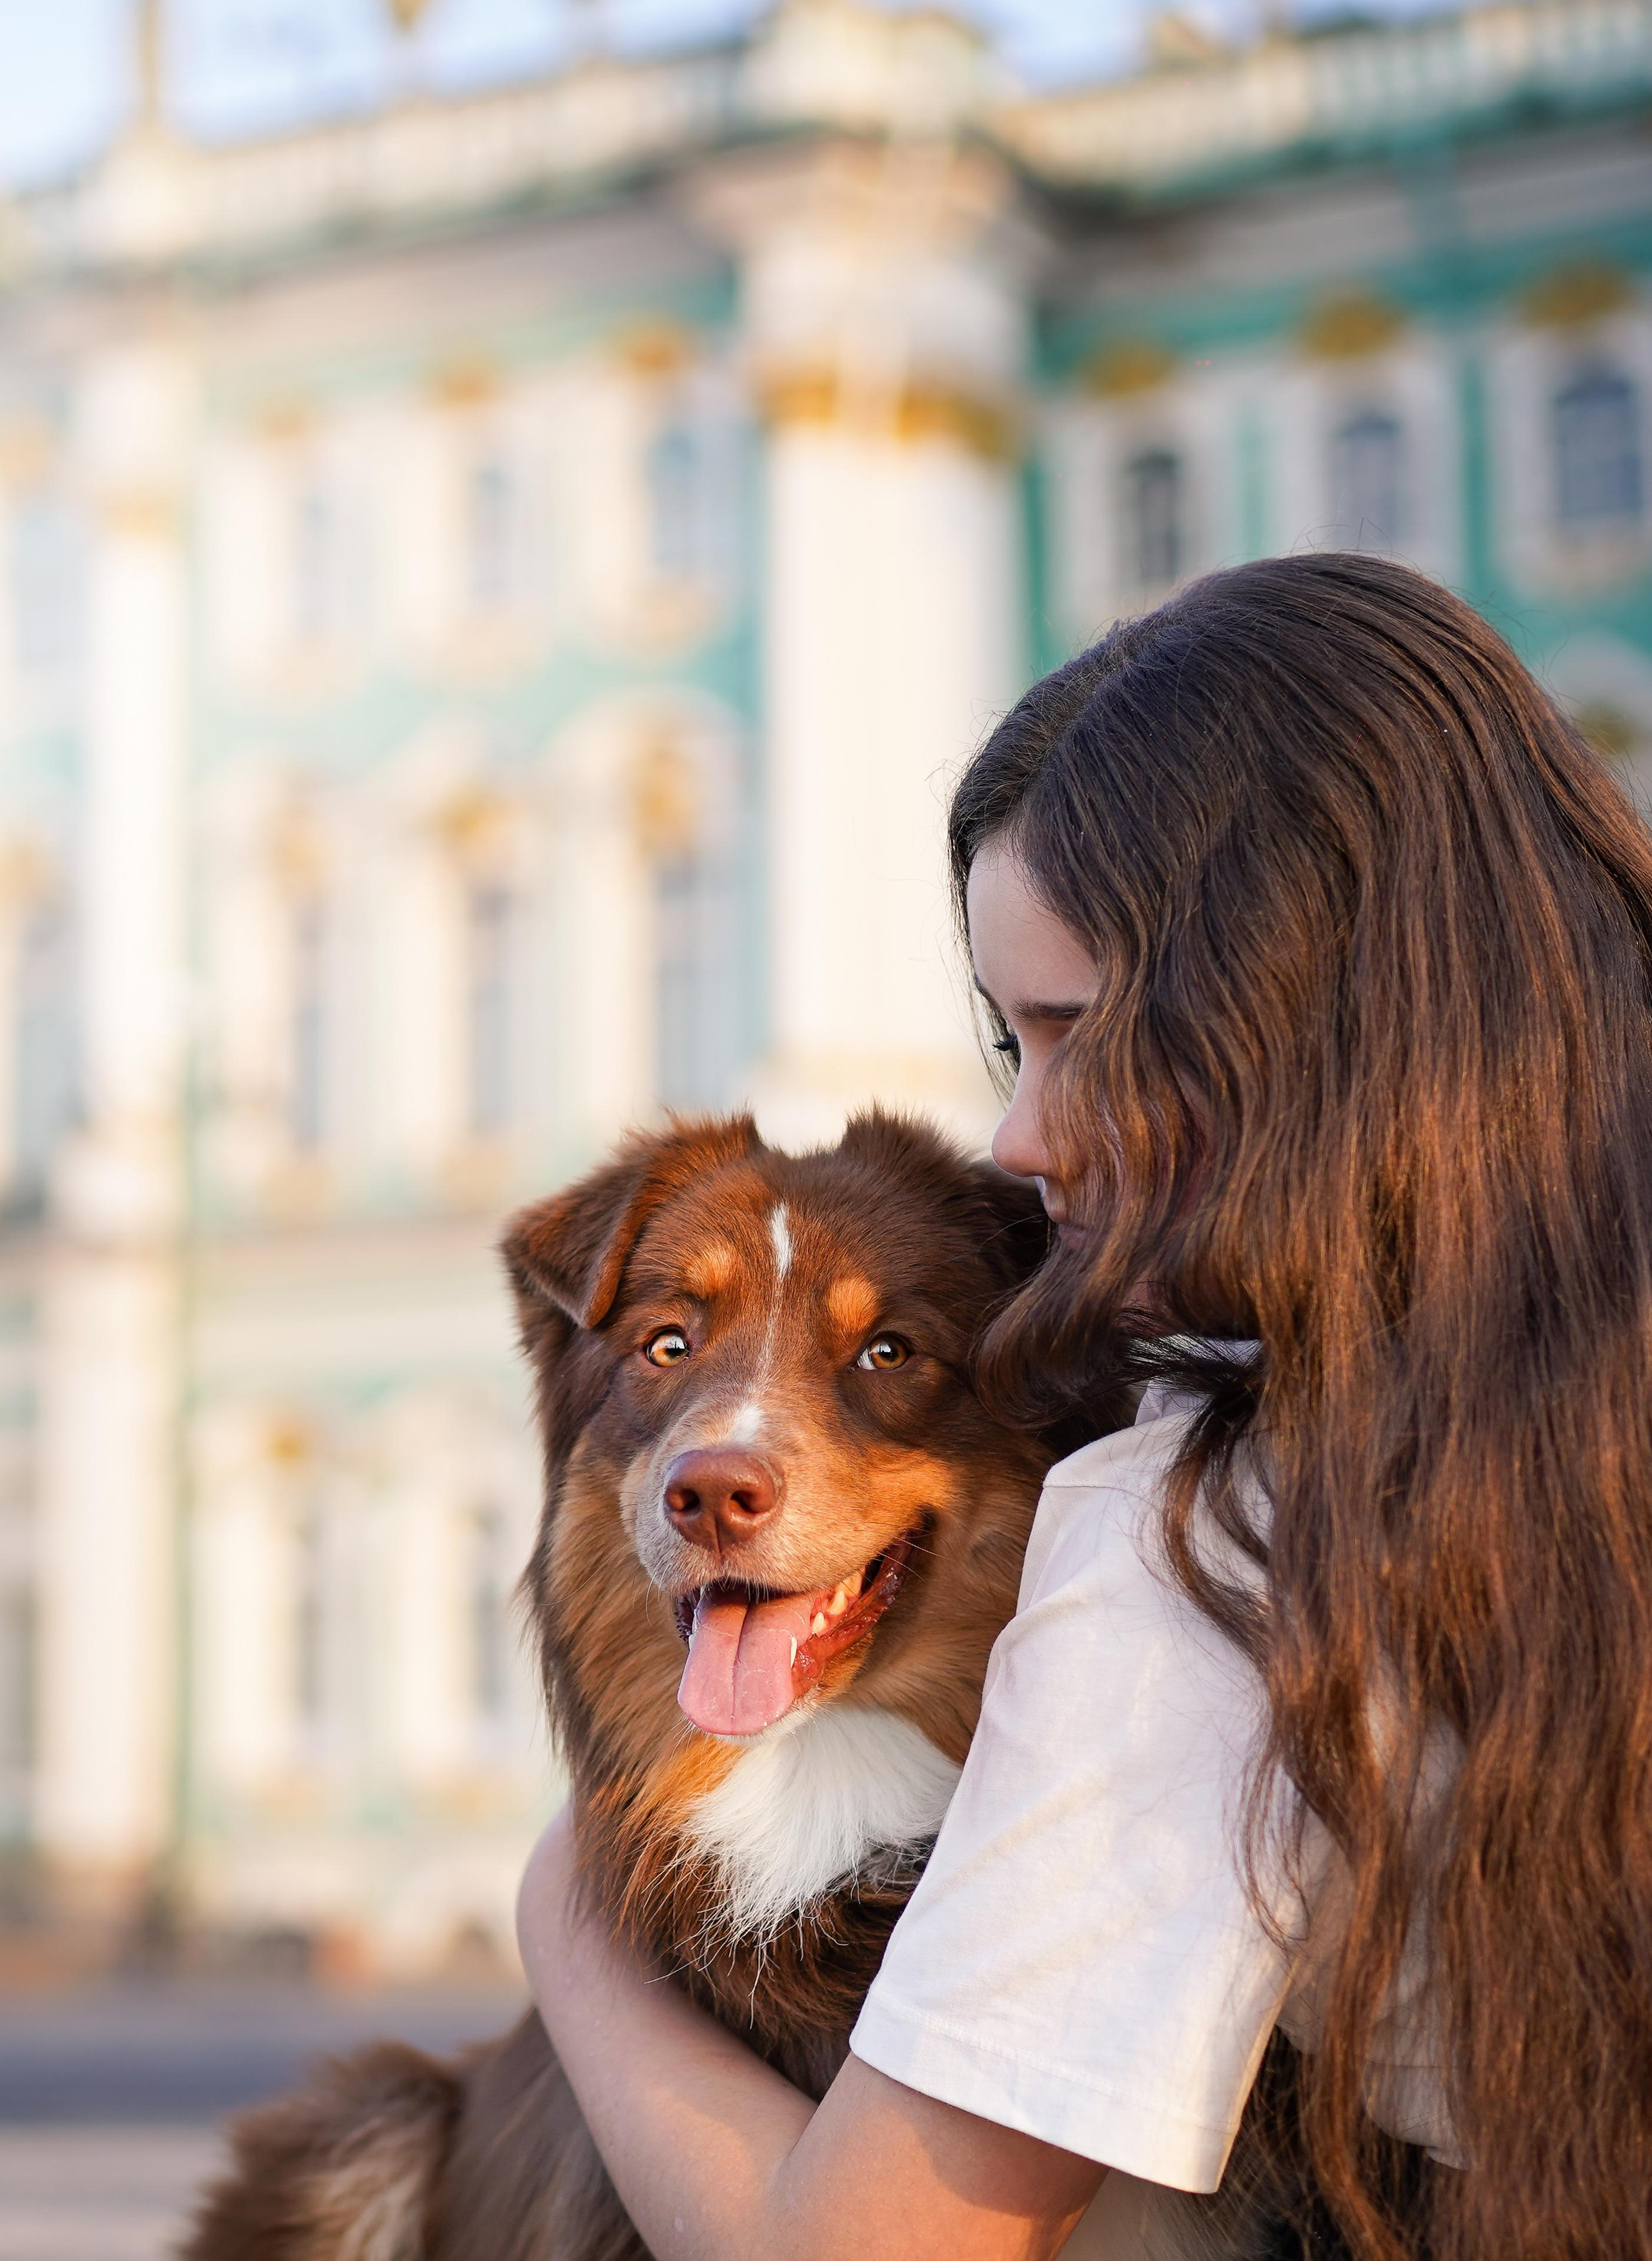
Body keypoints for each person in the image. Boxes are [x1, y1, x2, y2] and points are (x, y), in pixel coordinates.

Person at [516, 552, 1652, 2261]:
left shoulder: (1207, 1547)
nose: (1023, 1145)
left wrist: (573, 1928)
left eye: (1084, 1042)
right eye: (1007, 1048)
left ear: (1307, 1019)